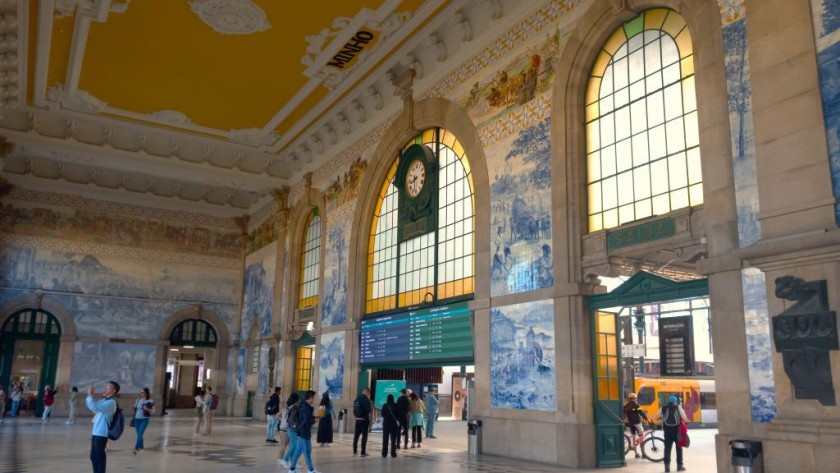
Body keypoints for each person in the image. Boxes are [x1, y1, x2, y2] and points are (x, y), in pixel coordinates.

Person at [86, 380, 119, 473]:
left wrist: (90, 395)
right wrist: (90, 396)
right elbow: (92, 406)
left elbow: (94, 407)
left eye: (108, 387)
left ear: (114, 391)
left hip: (101, 433)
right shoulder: (104, 400)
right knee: (93, 456)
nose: (105, 389)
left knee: (99, 457)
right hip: (96, 432)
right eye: (106, 387)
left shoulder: (111, 402)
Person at [286, 389, 320, 473]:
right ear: (310, 398)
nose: (314, 400)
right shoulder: (305, 407)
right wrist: (314, 420)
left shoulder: (305, 406)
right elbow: (306, 421)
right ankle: (310, 469)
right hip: (303, 432)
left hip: (302, 432)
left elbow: (306, 418)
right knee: (306, 451)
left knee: (298, 451)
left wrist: (314, 417)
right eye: (314, 398)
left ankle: (292, 469)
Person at [655, 395, 687, 472]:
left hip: (667, 430)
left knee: (667, 448)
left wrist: (662, 417)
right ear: (675, 401)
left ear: (668, 401)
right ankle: (679, 466)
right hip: (677, 430)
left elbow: (657, 416)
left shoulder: (663, 407)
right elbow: (683, 416)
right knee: (679, 448)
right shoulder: (678, 407)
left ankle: (667, 467)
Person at [623, 392, 649, 458]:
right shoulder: (636, 405)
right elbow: (641, 413)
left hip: (630, 424)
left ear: (629, 399)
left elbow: (623, 414)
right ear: (634, 399)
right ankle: (643, 454)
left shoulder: (625, 406)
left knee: (634, 438)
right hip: (637, 423)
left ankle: (636, 453)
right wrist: (647, 419)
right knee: (641, 437)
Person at [278, 392, 301, 468]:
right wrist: (294, 427)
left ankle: (291, 461)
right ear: (296, 399)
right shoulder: (294, 408)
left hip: (287, 428)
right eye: (299, 398)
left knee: (292, 445)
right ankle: (284, 459)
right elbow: (292, 419)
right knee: (291, 445)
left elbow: (279, 416)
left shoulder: (290, 407)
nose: (300, 400)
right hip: (288, 429)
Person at [132, 387, 154, 454]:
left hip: (144, 419)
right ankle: (141, 447)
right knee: (139, 434)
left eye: (142, 392)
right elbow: (135, 409)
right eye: (140, 392)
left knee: (140, 434)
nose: (140, 393)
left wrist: (147, 409)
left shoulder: (150, 401)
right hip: (136, 419)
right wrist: (133, 408)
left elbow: (152, 411)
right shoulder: (138, 400)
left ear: (146, 393)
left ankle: (136, 448)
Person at [352, 387, 372, 457]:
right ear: (367, 392)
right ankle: (363, 452)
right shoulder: (366, 400)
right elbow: (368, 410)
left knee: (356, 436)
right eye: (369, 394)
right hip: (364, 420)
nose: (369, 395)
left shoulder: (357, 399)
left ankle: (354, 451)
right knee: (364, 436)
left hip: (357, 419)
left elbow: (354, 409)